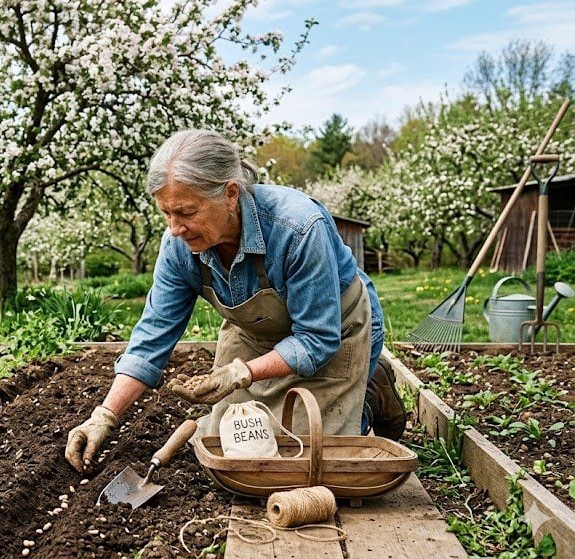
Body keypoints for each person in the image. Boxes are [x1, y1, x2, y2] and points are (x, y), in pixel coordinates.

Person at [65, 129, 405, 473]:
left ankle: (371, 388)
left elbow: (316, 339)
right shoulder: (179, 248)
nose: (174, 228)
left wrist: (241, 372)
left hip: (334, 332)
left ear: (230, 194)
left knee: (301, 454)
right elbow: (152, 335)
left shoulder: (298, 227)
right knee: (236, 445)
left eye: (185, 212)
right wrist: (103, 416)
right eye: (166, 214)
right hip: (255, 336)